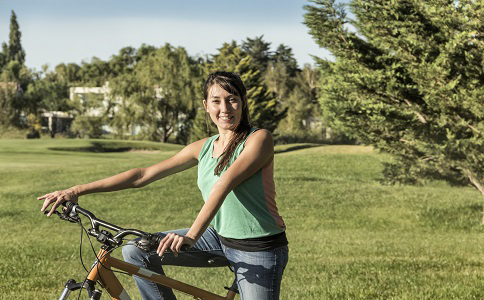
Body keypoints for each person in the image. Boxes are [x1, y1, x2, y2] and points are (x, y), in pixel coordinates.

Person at [38, 71, 288, 300]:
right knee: (136, 251)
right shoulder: (203, 147)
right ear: (205, 106)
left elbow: (224, 184)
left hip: (259, 247)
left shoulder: (259, 139)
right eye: (216, 100)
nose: (225, 108)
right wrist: (76, 190)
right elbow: (142, 175)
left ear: (243, 102)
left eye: (232, 99)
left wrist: (191, 235)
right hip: (217, 237)